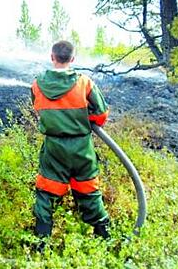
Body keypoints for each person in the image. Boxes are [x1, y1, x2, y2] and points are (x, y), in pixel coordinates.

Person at [31, 40, 110, 249]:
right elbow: (101, 115)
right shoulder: (85, 83)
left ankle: (41, 244)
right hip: (82, 148)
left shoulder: (37, 84)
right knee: (88, 191)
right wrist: (82, 120)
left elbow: (39, 110)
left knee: (46, 194)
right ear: (73, 59)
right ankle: (106, 240)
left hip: (54, 148)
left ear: (52, 57)